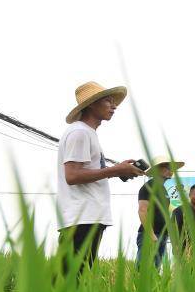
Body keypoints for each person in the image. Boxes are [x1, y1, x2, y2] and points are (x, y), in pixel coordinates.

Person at [57, 81, 144, 272]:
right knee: (70, 279)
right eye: (108, 101)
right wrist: (115, 170)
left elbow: (85, 172)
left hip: (89, 216)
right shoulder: (80, 132)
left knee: (76, 278)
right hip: (82, 217)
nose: (114, 106)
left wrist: (118, 171)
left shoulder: (88, 133)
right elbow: (72, 175)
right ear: (91, 104)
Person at [136, 156, 183, 268]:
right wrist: (151, 235)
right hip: (150, 235)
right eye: (167, 167)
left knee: (155, 269)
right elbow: (142, 211)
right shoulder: (149, 186)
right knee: (144, 270)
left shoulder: (162, 188)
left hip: (162, 234)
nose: (171, 171)